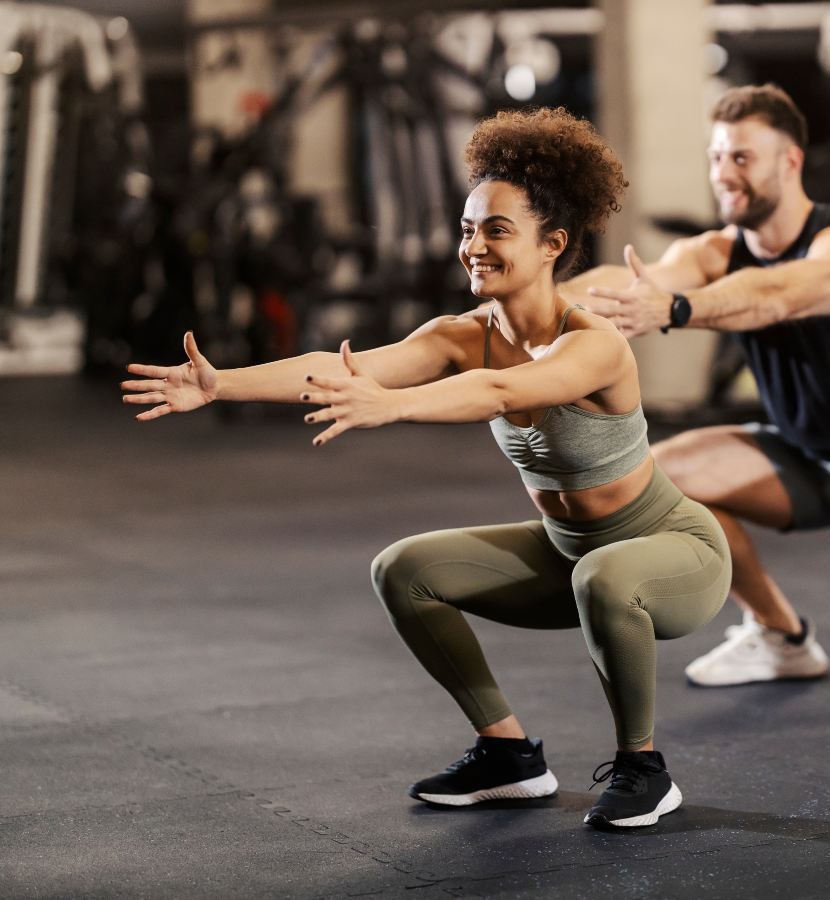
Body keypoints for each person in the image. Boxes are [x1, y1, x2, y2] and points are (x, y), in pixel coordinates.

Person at [121, 107, 732, 830]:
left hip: (674, 554)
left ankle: (643, 768)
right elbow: (339, 366)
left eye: (496, 230)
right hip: (568, 555)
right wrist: (222, 382)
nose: (473, 246)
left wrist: (393, 406)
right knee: (404, 568)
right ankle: (508, 756)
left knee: (604, 576)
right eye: (469, 229)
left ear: (552, 245)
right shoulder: (458, 335)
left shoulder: (592, 346)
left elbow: (499, 391)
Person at [570, 84, 830, 704]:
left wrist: (675, 308)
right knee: (654, 480)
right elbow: (625, 284)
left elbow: (781, 294)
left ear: (790, 162)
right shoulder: (713, 251)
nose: (723, 174)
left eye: (742, 158)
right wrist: (527, 298)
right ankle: (783, 638)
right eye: (716, 157)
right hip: (803, 453)